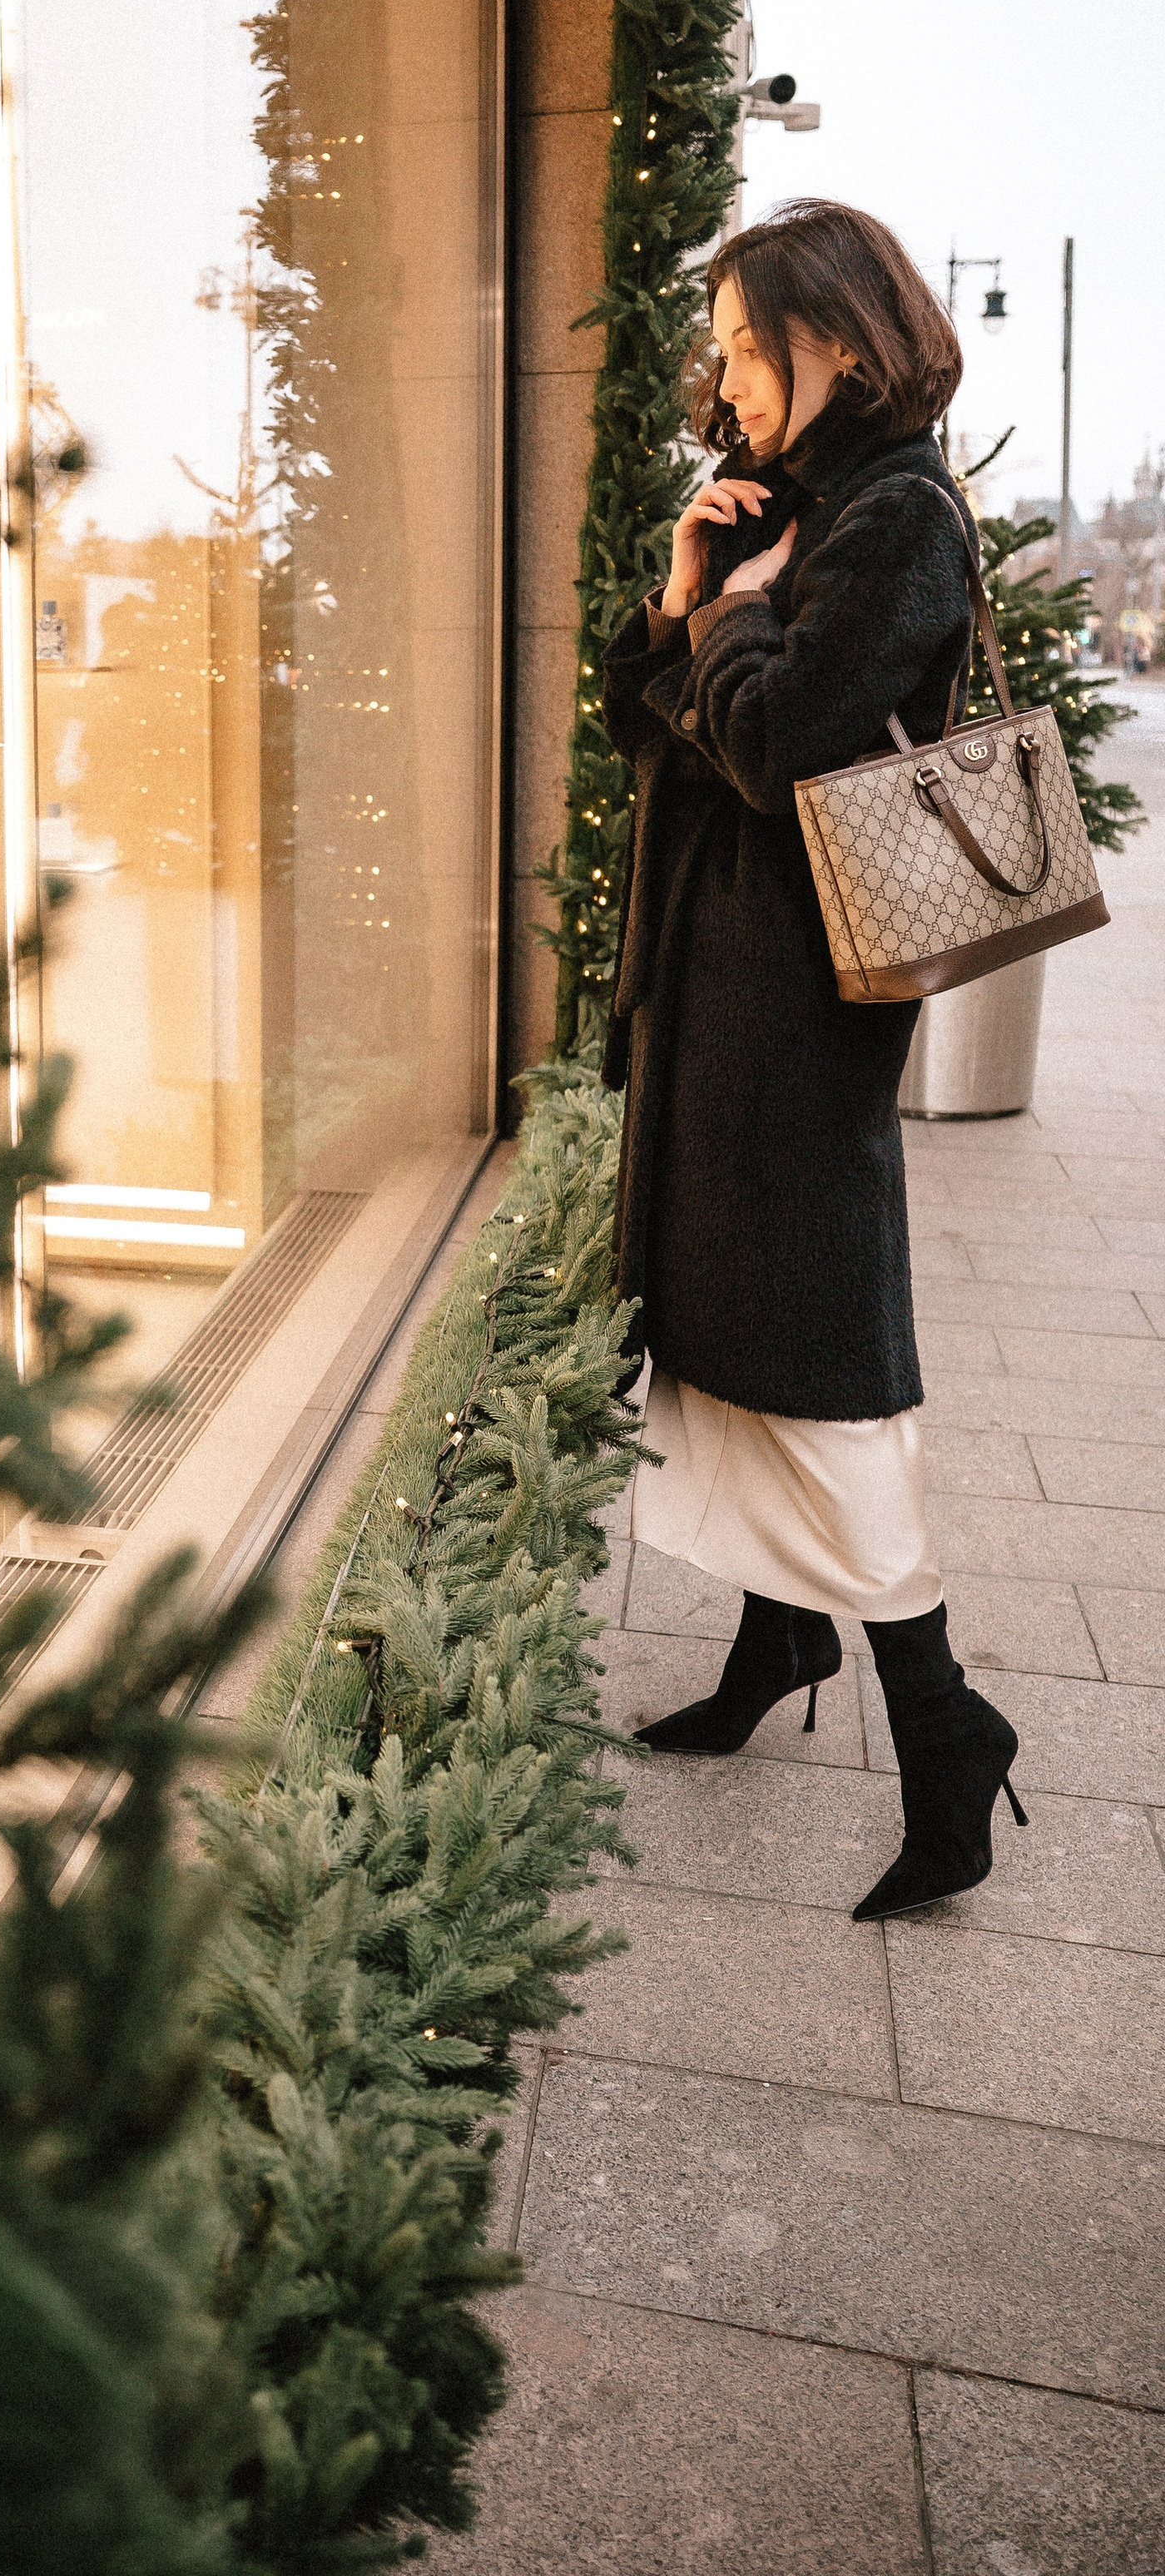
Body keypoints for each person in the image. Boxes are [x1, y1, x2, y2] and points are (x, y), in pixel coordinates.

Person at [601, 197, 1028, 1920]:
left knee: (817, 1358)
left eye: (738, 343)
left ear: (835, 341)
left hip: (795, 1013)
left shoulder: (897, 516)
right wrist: (691, 595)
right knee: (720, 1332)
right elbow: (651, 704)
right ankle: (776, 1641)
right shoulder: (788, 506)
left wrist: (731, 638)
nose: (719, 373)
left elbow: (773, 745)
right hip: (714, 993)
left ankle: (944, 1731)